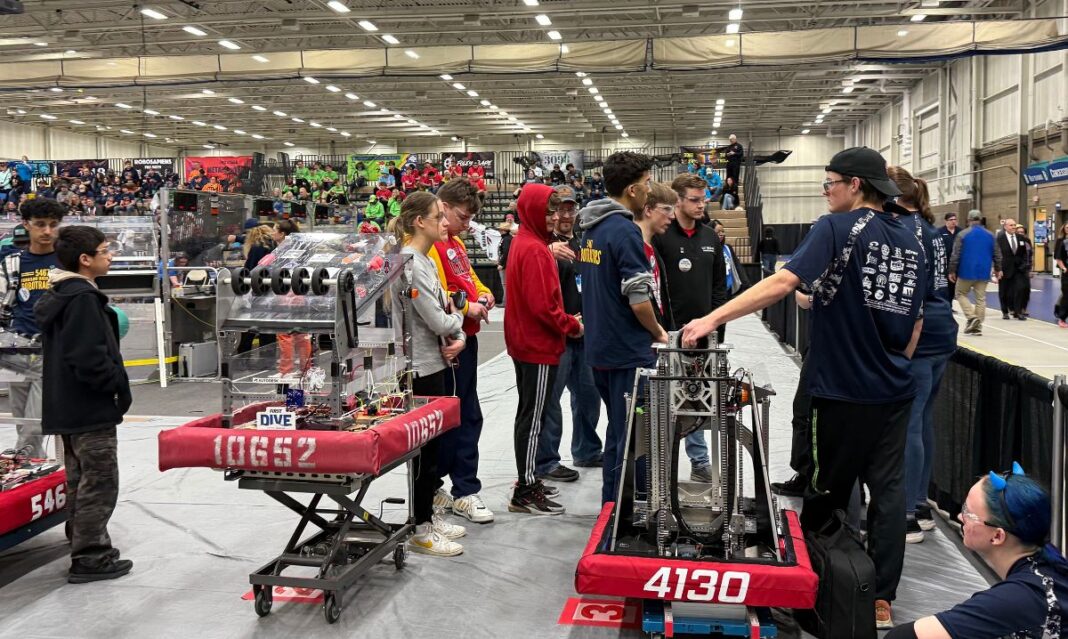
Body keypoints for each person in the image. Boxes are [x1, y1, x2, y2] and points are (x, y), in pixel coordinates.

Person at [682, 146, 927, 629]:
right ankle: (879, 596)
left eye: (830, 181)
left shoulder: (836, 227)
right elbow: (916, 322)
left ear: (856, 185)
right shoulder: (914, 239)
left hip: (840, 391)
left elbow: (782, 282)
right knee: (889, 492)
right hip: (894, 388)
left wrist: (711, 316)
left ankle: (824, 593)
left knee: (826, 494)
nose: (825, 190)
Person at [35, 225, 132, 583]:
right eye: (105, 251)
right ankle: (92, 556)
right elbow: (88, 357)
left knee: (79, 479)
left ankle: (81, 542)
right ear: (85, 259)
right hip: (89, 407)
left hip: (68, 406)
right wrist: (113, 387)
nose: (111, 256)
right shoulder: (82, 299)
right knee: (100, 480)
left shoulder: (64, 293)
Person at [577, 151, 669, 505]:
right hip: (627, 351)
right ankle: (621, 511)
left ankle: (613, 507)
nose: (649, 191)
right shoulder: (625, 231)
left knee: (619, 431)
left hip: (600, 349)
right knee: (633, 436)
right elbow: (639, 299)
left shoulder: (590, 230)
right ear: (632, 190)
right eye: (646, 185)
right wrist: (658, 332)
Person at [885, 464, 1068, 639]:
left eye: (968, 513)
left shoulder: (1018, 598)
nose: (959, 516)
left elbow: (902, 636)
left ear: (997, 536)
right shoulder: (1050, 563)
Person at [386, 192, 467, 556]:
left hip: (435, 363)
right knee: (425, 454)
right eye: (439, 216)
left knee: (435, 451)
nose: (445, 222)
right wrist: (460, 321)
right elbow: (439, 318)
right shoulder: (410, 263)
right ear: (420, 221)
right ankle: (419, 527)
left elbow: (447, 308)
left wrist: (458, 330)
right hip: (419, 370)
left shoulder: (425, 260)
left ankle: (427, 518)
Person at [888, 166, 957, 544]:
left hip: (922, 337)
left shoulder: (900, 231)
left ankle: (909, 515)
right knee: (924, 419)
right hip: (943, 334)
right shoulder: (932, 232)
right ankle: (921, 504)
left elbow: (911, 298)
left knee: (910, 423)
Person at [505, 184, 583, 514]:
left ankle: (528, 481)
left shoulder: (528, 243)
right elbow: (544, 308)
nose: (553, 218)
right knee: (534, 419)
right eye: (549, 211)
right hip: (536, 345)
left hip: (527, 343)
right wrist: (572, 324)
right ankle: (526, 487)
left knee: (529, 415)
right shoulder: (535, 249)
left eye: (556, 212)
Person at [427, 178, 496, 524]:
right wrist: (466, 308)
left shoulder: (454, 243)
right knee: (453, 419)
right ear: (442, 206)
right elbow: (438, 295)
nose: (466, 224)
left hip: (463, 340)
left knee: (467, 415)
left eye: (470, 219)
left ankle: (458, 487)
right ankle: (454, 488)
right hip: (447, 344)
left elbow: (469, 279)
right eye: (462, 216)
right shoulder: (430, 245)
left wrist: (482, 295)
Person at [652, 173, 728, 483]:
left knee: (697, 400)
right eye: (694, 200)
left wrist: (716, 330)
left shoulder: (711, 237)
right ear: (678, 200)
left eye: (704, 199)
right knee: (663, 402)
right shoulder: (660, 236)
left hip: (704, 338)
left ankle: (699, 462)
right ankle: (661, 465)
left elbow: (719, 289)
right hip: (667, 335)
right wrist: (661, 331)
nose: (701, 205)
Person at [537, 186, 604, 478]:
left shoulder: (584, 243)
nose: (565, 215)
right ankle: (547, 461)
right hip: (556, 334)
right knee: (550, 401)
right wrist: (547, 252)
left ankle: (587, 451)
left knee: (589, 396)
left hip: (585, 333)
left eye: (569, 209)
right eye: (559, 210)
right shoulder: (541, 245)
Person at [0, 198, 63, 458]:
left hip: (50, 347)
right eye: (40, 225)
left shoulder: (66, 261)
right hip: (15, 347)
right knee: (21, 416)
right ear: (26, 225)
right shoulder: (12, 262)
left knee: (37, 419)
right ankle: (34, 464)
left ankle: (21, 457)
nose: (47, 231)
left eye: (52, 225)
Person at [949, 210, 1001, 336]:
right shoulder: (990, 235)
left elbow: (956, 254)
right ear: (981, 219)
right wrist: (998, 269)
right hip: (984, 271)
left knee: (960, 293)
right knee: (980, 298)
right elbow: (997, 254)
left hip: (966, 271)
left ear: (968, 220)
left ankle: (972, 317)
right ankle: (977, 327)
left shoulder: (962, 234)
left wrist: (952, 270)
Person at [997, 220, 1029, 320]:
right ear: (1005, 227)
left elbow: (1024, 254)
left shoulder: (1021, 238)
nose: (1013, 227)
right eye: (1011, 225)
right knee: (1004, 291)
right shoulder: (999, 239)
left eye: (1014, 225)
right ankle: (1005, 311)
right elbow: (996, 255)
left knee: (1019, 290)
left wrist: (1024, 265)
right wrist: (997, 269)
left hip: (1019, 269)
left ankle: (1017, 312)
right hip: (1005, 269)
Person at [938, 213, 959, 303]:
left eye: (955, 219)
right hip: (943, 263)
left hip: (956, 264)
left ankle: (949, 304)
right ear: (946, 221)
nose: (953, 221)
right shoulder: (939, 231)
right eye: (951, 220)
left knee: (953, 286)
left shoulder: (960, 231)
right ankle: (945, 304)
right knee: (944, 286)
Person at [496, 221, 514, 307]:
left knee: (505, 284)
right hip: (506, 263)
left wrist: (502, 264)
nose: (499, 231)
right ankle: (506, 301)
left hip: (506, 265)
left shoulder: (506, 239)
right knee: (506, 284)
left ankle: (505, 302)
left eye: (500, 229)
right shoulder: (507, 238)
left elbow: (506, 252)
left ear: (504, 230)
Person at [1055, 223, 1068, 328]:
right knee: (1066, 295)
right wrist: (1064, 268)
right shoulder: (1062, 242)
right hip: (1066, 272)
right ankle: (1062, 317)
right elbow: (1058, 258)